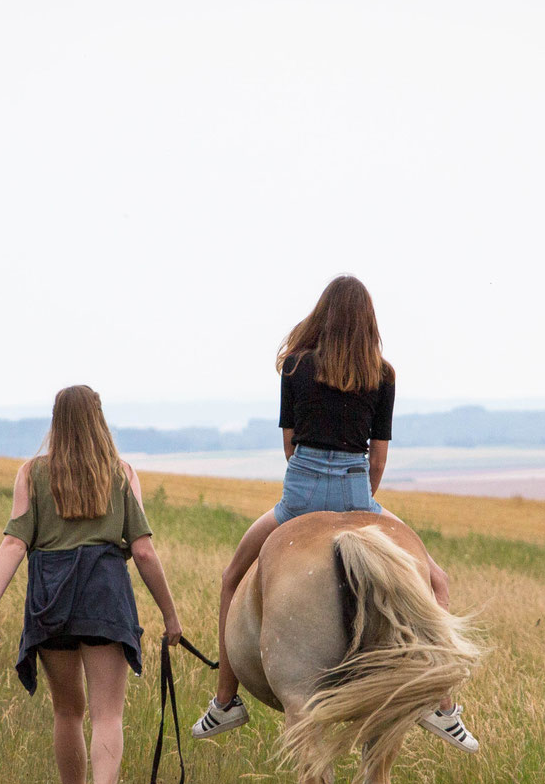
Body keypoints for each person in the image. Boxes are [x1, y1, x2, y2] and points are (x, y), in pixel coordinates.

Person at [191, 275, 477, 751]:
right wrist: (361, 508)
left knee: (231, 575)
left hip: (300, 492)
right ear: (369, 322)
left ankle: (225, 701)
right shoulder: (382, 374)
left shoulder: (295, 366)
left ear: (322, 313)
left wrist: (308, 491)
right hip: (357, 494)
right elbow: (379, 457)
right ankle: (442, 706)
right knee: (437, 580)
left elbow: (289, 444)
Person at [0, 385, 182, 784]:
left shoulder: (32, 473)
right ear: (99, 420)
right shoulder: (121, 473)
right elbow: (144, 551)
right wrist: (170, 616)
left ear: (56, 421)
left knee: (67, 711)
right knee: (108, 713)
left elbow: (14, 543)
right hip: (105, 593)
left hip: (49, 596)